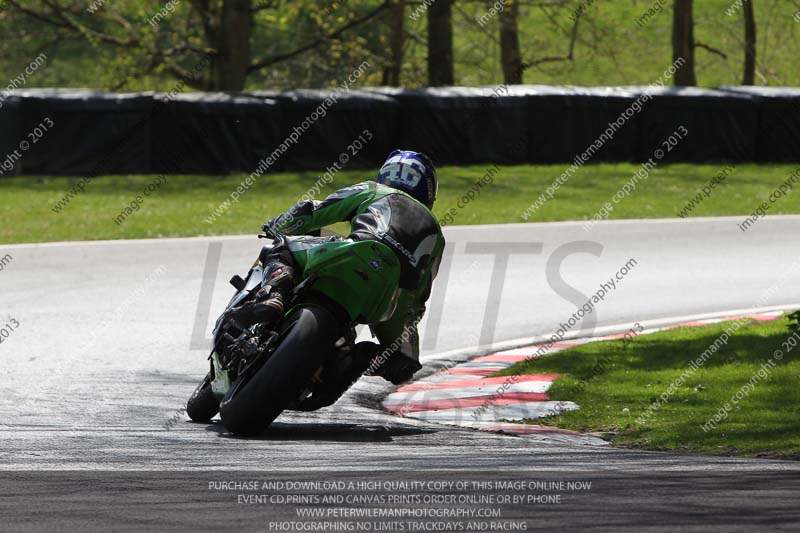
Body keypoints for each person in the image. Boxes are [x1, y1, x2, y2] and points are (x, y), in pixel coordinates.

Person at [255, 150, 445, 386]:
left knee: (282, 247)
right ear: (428, 191)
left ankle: (274, 295)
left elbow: (314, 210)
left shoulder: (373, 190)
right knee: (402, 363)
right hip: (391, 294)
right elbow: (420, 294)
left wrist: (280, 225)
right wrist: (406, 345)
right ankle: (353, 359)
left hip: (356, 252)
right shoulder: (437, 233)